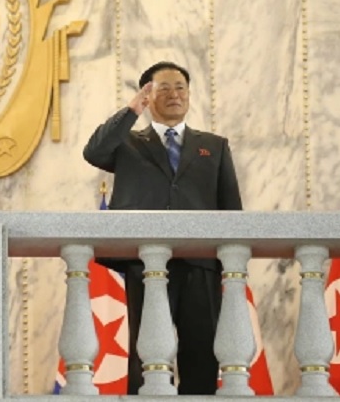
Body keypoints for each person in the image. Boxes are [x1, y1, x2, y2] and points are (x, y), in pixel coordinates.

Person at [82, 61, 242, 395]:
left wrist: (231, 265)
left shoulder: (214, 146)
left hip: (201, 263)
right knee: (148, 356)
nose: (174, 94)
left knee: (201, 351)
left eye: (180, 87)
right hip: (147, 262)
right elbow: (94, 151)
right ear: (147, 95)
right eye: (163, 88)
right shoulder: (127, 143)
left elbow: (231, 210)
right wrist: (130, 110)